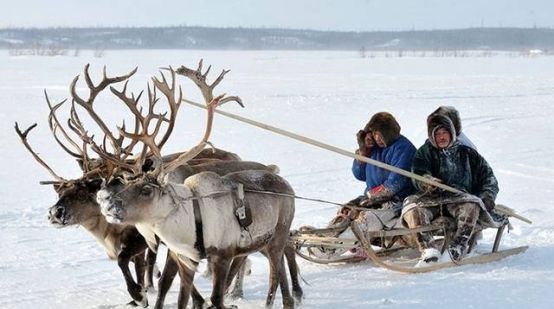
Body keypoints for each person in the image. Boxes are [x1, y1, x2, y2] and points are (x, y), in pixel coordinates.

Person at [401, 112, 499, 264]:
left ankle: (457, 246)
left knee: (472, 205)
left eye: (444, 132)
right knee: (412, 209)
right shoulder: (424, 153)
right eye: (437, 133)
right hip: (429, 198)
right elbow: (418, 174)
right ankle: (428, 249)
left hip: (459, 197)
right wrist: (427, 182)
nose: (441, 137)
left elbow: (489, 178)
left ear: (452, 133)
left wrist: (487, 195)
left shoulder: (468, 153)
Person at [328, 112, 416, 250]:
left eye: (381, 134)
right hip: (372, 197)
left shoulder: (403, 148)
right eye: (374, 134)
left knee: (366, 219)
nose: (377, 138)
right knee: (346, 210)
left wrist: (372, 197)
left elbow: (394, 184)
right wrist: (363, 152)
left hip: (396, 200)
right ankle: (329, 236)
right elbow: (359, 174)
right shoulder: (373, 149)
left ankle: (334, 248)